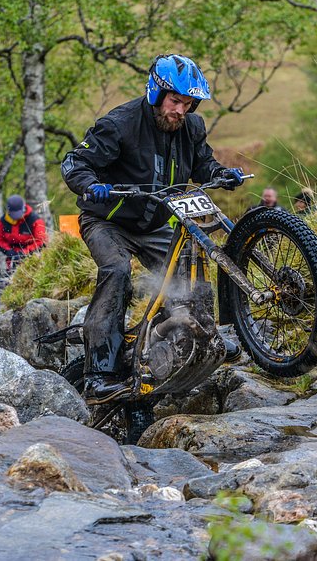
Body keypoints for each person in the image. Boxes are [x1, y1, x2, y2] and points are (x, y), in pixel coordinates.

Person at [60, 53, 245, 405]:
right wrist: (90, 184)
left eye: (188, 103)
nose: (181, 110)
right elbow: (75, 162)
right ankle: (99, 373)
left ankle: (200, 337)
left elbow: (203, 164)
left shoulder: (191, 127)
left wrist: (221, 174)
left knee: (189, 267)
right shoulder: (119, 124)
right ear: (156, 93)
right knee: (116, 272)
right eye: (175, 101)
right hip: (107, 220)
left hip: (154, 222)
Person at [0, 194, 48, 277]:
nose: (15, 217)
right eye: (13, 214)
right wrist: (8, 251)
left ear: (23, 208)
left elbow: (41, 242)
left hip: (33, 261)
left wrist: (24, 253)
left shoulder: (35, 220)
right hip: (11, 262)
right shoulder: (4, 221)